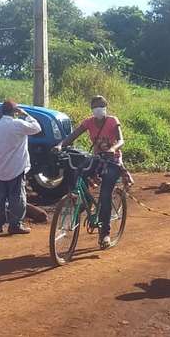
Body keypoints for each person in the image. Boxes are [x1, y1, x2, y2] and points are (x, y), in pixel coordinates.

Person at [55, 95, 125, 249]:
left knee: (106, 195)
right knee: (78, 174)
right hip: (97, 158)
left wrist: (113, 149)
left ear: (105, 106)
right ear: (92, 109)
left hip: (112, 161)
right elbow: (72, 136)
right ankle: (86, 204)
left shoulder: (113, 120)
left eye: (100, 105)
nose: (98, 109)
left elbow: (121, 140)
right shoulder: (88, 122)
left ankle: (105, 234)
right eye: (95, 106)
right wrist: (60, 145)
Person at [0, 100, 42, 234]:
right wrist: (25, 114)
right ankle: (15, 225)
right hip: (16, 168)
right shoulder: (17, 124)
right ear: (15, 112)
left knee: (0, 198)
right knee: (17, 197)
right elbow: (37, 127)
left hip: (0, 168)